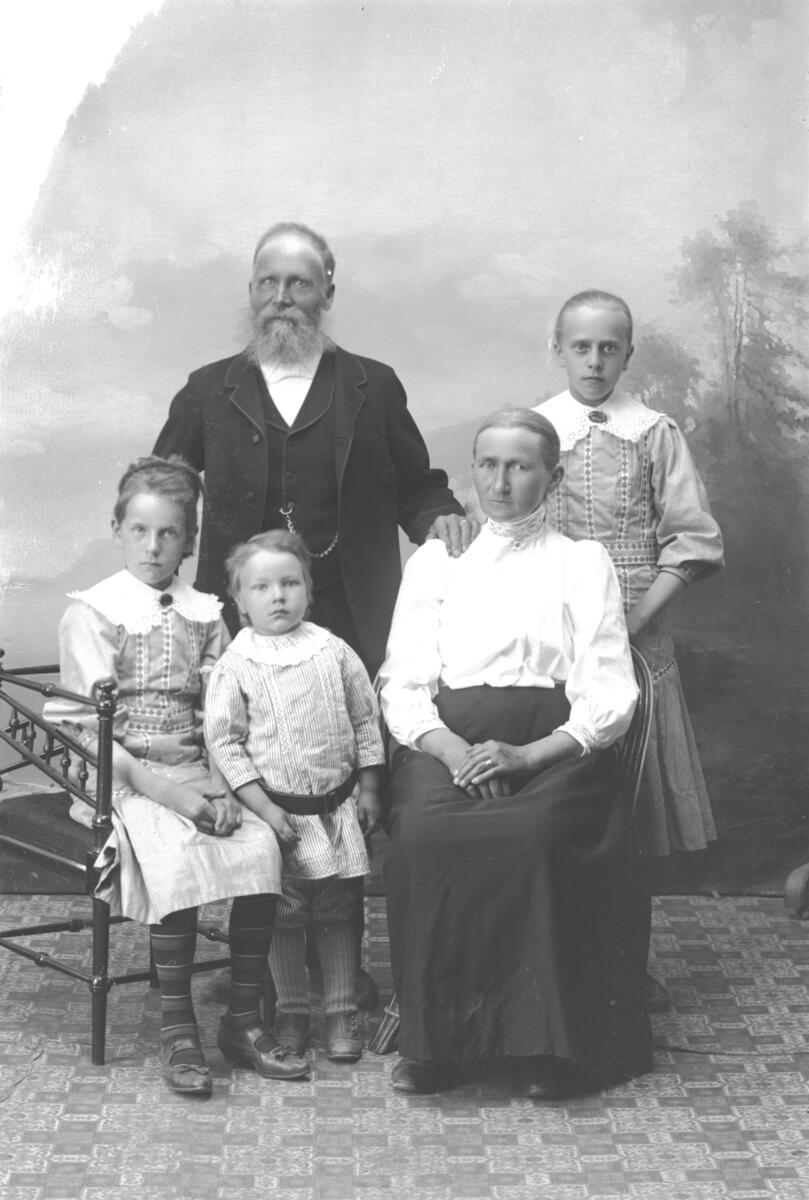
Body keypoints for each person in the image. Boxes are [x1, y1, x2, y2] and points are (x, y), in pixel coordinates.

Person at [153, 220, 475, 1004]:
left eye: (298, 282)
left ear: (327, 291)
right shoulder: (208, 389)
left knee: (339, 793)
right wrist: (155, 581)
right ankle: (262, 971)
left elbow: (417, 484)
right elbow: (164, 486)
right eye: (268, 281)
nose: (282, 297)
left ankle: (338, 968)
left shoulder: (372, 384)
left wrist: (440, 519)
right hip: (243, 631)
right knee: (256, 784)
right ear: (251, 292)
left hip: (348, 619)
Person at [378, 409, 652, 1098]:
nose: (500, 483)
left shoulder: (581, 563)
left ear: (552, 479)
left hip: (551, 749)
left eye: (520, 467)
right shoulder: (438, 561)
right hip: (449, 744)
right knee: (426, 835)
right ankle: (439, 1044)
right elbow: (403, 681)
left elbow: (609, 689)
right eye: (488, 465)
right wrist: (454, 754)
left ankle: (549, 1048)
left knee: (535, 836)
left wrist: (528, 758)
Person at [43, 457, 310, 1096]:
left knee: (260, 844)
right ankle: (178, 1026)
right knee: (177, 851)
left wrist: (222, 785)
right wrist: (173, 795)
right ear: (117, 529)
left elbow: (221, 713)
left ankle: (242, 1020)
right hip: (117, 777)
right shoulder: (93, 613)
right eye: (139, 530)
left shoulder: (204, 612)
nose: (153, 547)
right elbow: (91, 735)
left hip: (196, 769)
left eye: (169, 533)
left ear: (189, 540)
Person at [535, 292, 724, 1005]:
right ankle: (553, 965)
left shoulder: (652, 432)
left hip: (637, 630)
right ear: (557, 349)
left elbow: (693, 538)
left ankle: (620, 968)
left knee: (626, 803)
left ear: (627, 355)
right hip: (554, 633)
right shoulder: (538, 429)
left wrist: (636, 617)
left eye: (608, 348)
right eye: (580, 347)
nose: (594, 361)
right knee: (558, 793)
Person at [204, 531, 385, 1065]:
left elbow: (365, 719)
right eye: (260, 587)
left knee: (338, 910)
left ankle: (342, 1009)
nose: (277, 596)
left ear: (308, 587)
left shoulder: (333, 651)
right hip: (278, 819)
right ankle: (292, 1010)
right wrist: (263, 807)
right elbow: (225, 743)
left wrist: (371, 786)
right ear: (239, 600)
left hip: (337, 811)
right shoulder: (236, 664)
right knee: (283, 916)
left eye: (289, 583)